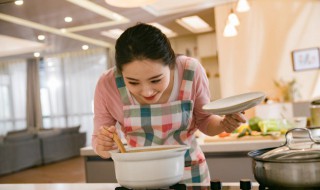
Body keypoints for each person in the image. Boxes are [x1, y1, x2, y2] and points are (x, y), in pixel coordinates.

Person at [92, 23, 246, 189]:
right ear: (121, 73)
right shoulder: (107, 84)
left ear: (171, 64)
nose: (147, 91)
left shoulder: (190, 71)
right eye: (133, 82)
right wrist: (104, 145)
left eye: (156, 80)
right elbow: (99, 143)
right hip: (139, 177)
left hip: (188, 173)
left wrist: (223, 124)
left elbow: (205, 121)